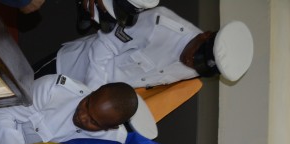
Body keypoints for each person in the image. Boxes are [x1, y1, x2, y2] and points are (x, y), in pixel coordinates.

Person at [53, 5, 254, 89]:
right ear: (205, 35)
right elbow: (105, 43)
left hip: (92, 101)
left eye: (199, 65)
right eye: (197, 55)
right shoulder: (160, 25)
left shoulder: (196, 67)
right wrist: (93, 93)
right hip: (68, 68)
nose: (190, 62)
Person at [0, 75, 155, 144]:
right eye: (86, 104)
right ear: (94, 91)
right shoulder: (55, 88)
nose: (82, 116)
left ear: (111, 127)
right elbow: (3, 113)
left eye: (93, 122)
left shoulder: (111, 143)